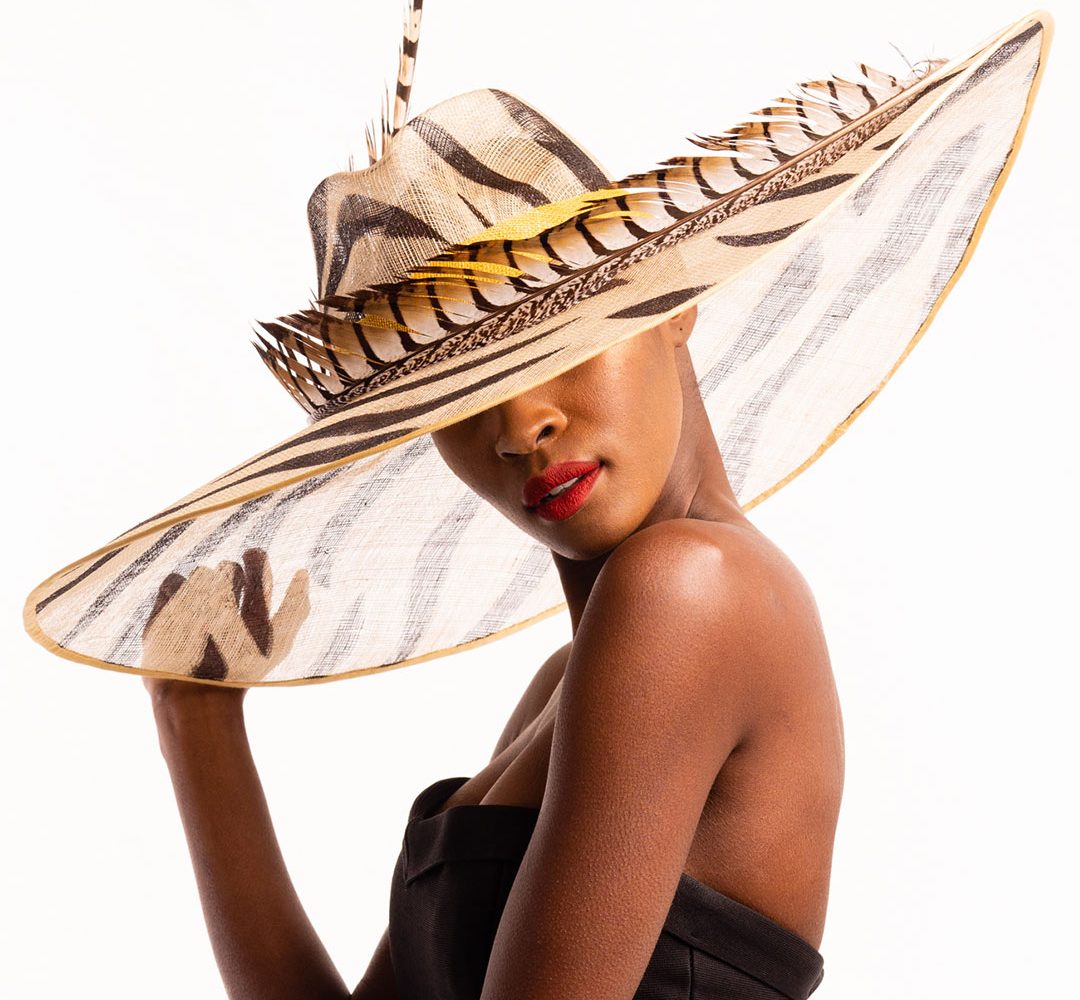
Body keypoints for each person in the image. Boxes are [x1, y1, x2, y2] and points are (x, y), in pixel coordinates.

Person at [141, 300, 843, 1000]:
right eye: (461, 381)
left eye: (556, 338)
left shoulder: (690, 589)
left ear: (676, 303)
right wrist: (193, 710)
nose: (518, 427)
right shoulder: (561, 684)